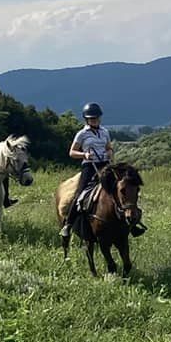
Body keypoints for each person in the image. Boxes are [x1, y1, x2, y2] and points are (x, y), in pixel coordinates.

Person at [63, 102, 114, 239]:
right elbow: (72, 152)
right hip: (89, 166)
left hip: (105, 164)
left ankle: (130, 222)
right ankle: (68, 225)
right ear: (86, 119)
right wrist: (84, 155)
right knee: (80, 194)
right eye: (91, 118)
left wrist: (109, 152)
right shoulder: (81, 134)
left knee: (122, 187)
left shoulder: (105, 132)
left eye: (96, 118)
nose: (94, 120)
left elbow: (109, 147)